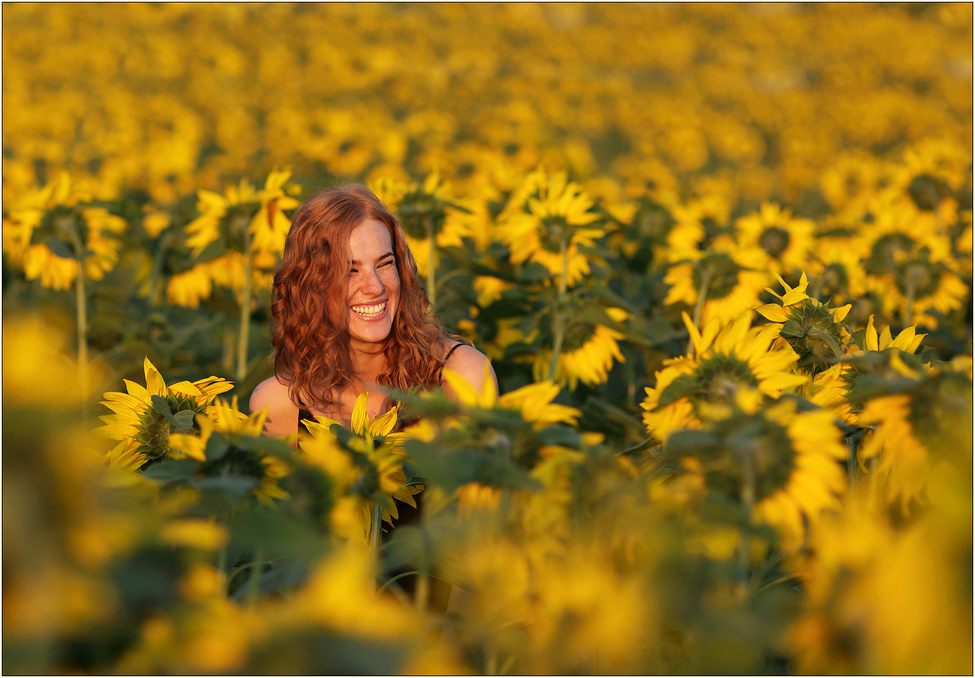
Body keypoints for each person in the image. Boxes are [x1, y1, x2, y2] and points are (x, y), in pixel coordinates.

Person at [250, 183, 497, 436]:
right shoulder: (280, 405)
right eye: (350, 270)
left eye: (385, 263)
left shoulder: (458, 375)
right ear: (311, 286)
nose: (375, 287)